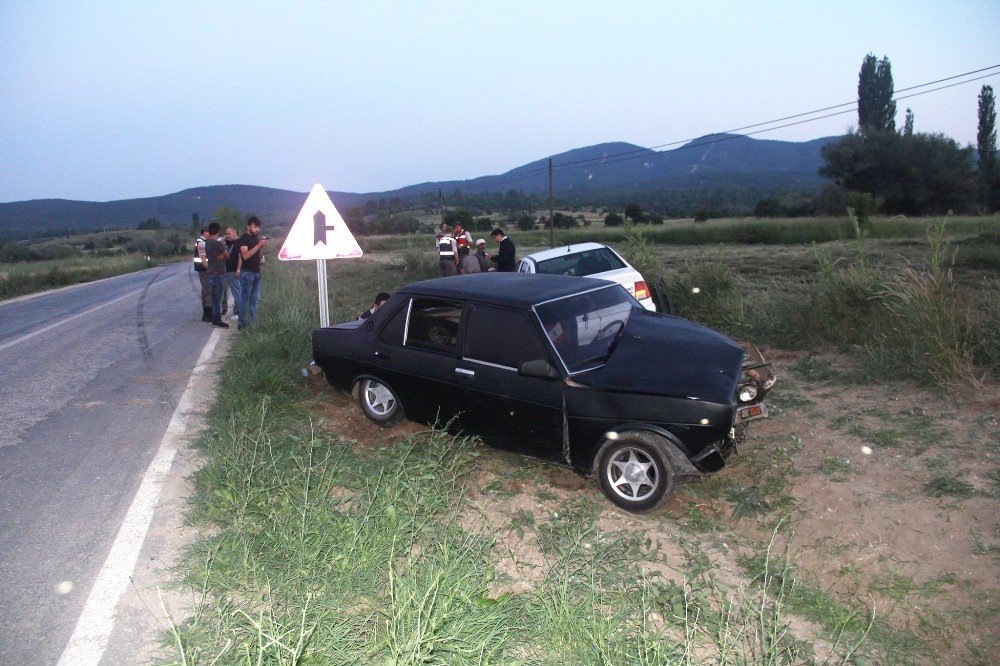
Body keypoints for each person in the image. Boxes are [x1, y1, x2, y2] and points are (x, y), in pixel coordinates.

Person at [236, 216, 268, 330]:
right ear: (248, 226)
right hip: (247, 273)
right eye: (254, 227)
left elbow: (259, 258)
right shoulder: (243, 239)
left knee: (255, 299)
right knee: (245, 298)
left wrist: (261, 247)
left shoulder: (256, 239)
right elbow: (245, 256)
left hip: (257, 272)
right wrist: (258, 245)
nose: (256, 229)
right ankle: (241, 323)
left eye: (258, 227)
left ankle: (252, 323)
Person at [204, 222, 230, 328]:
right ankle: (217, 320)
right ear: (218, 231)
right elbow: (227, 256)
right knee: (218, 298)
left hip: (211, 272)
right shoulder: (217, 244)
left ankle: (215, 319)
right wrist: (223, 255)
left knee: (214, 298)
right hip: (217, 273)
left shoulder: (208, 243)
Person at [193, 228, 212, 321]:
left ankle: (206, 314)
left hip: (201, 268)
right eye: (208, 232)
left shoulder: (200, 241)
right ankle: (208, 313)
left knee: (205, 289)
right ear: (204, 232)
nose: (209, 233)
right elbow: (203, 258)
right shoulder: (202, 242)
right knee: (208, 290)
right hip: (204, 268)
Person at [223, 227, 241, 320]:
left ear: (234, 233)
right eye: (226, 234)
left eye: (229, 234)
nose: (227, 236)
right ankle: (237, 312)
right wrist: (225, 237)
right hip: (230, 270)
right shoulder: (231, 243)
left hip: (234, 271)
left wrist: (238, 270)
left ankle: (238, 313)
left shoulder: (238, 243)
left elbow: (240, 257)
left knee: (237, 293)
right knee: (236, 292)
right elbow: (220, 244)